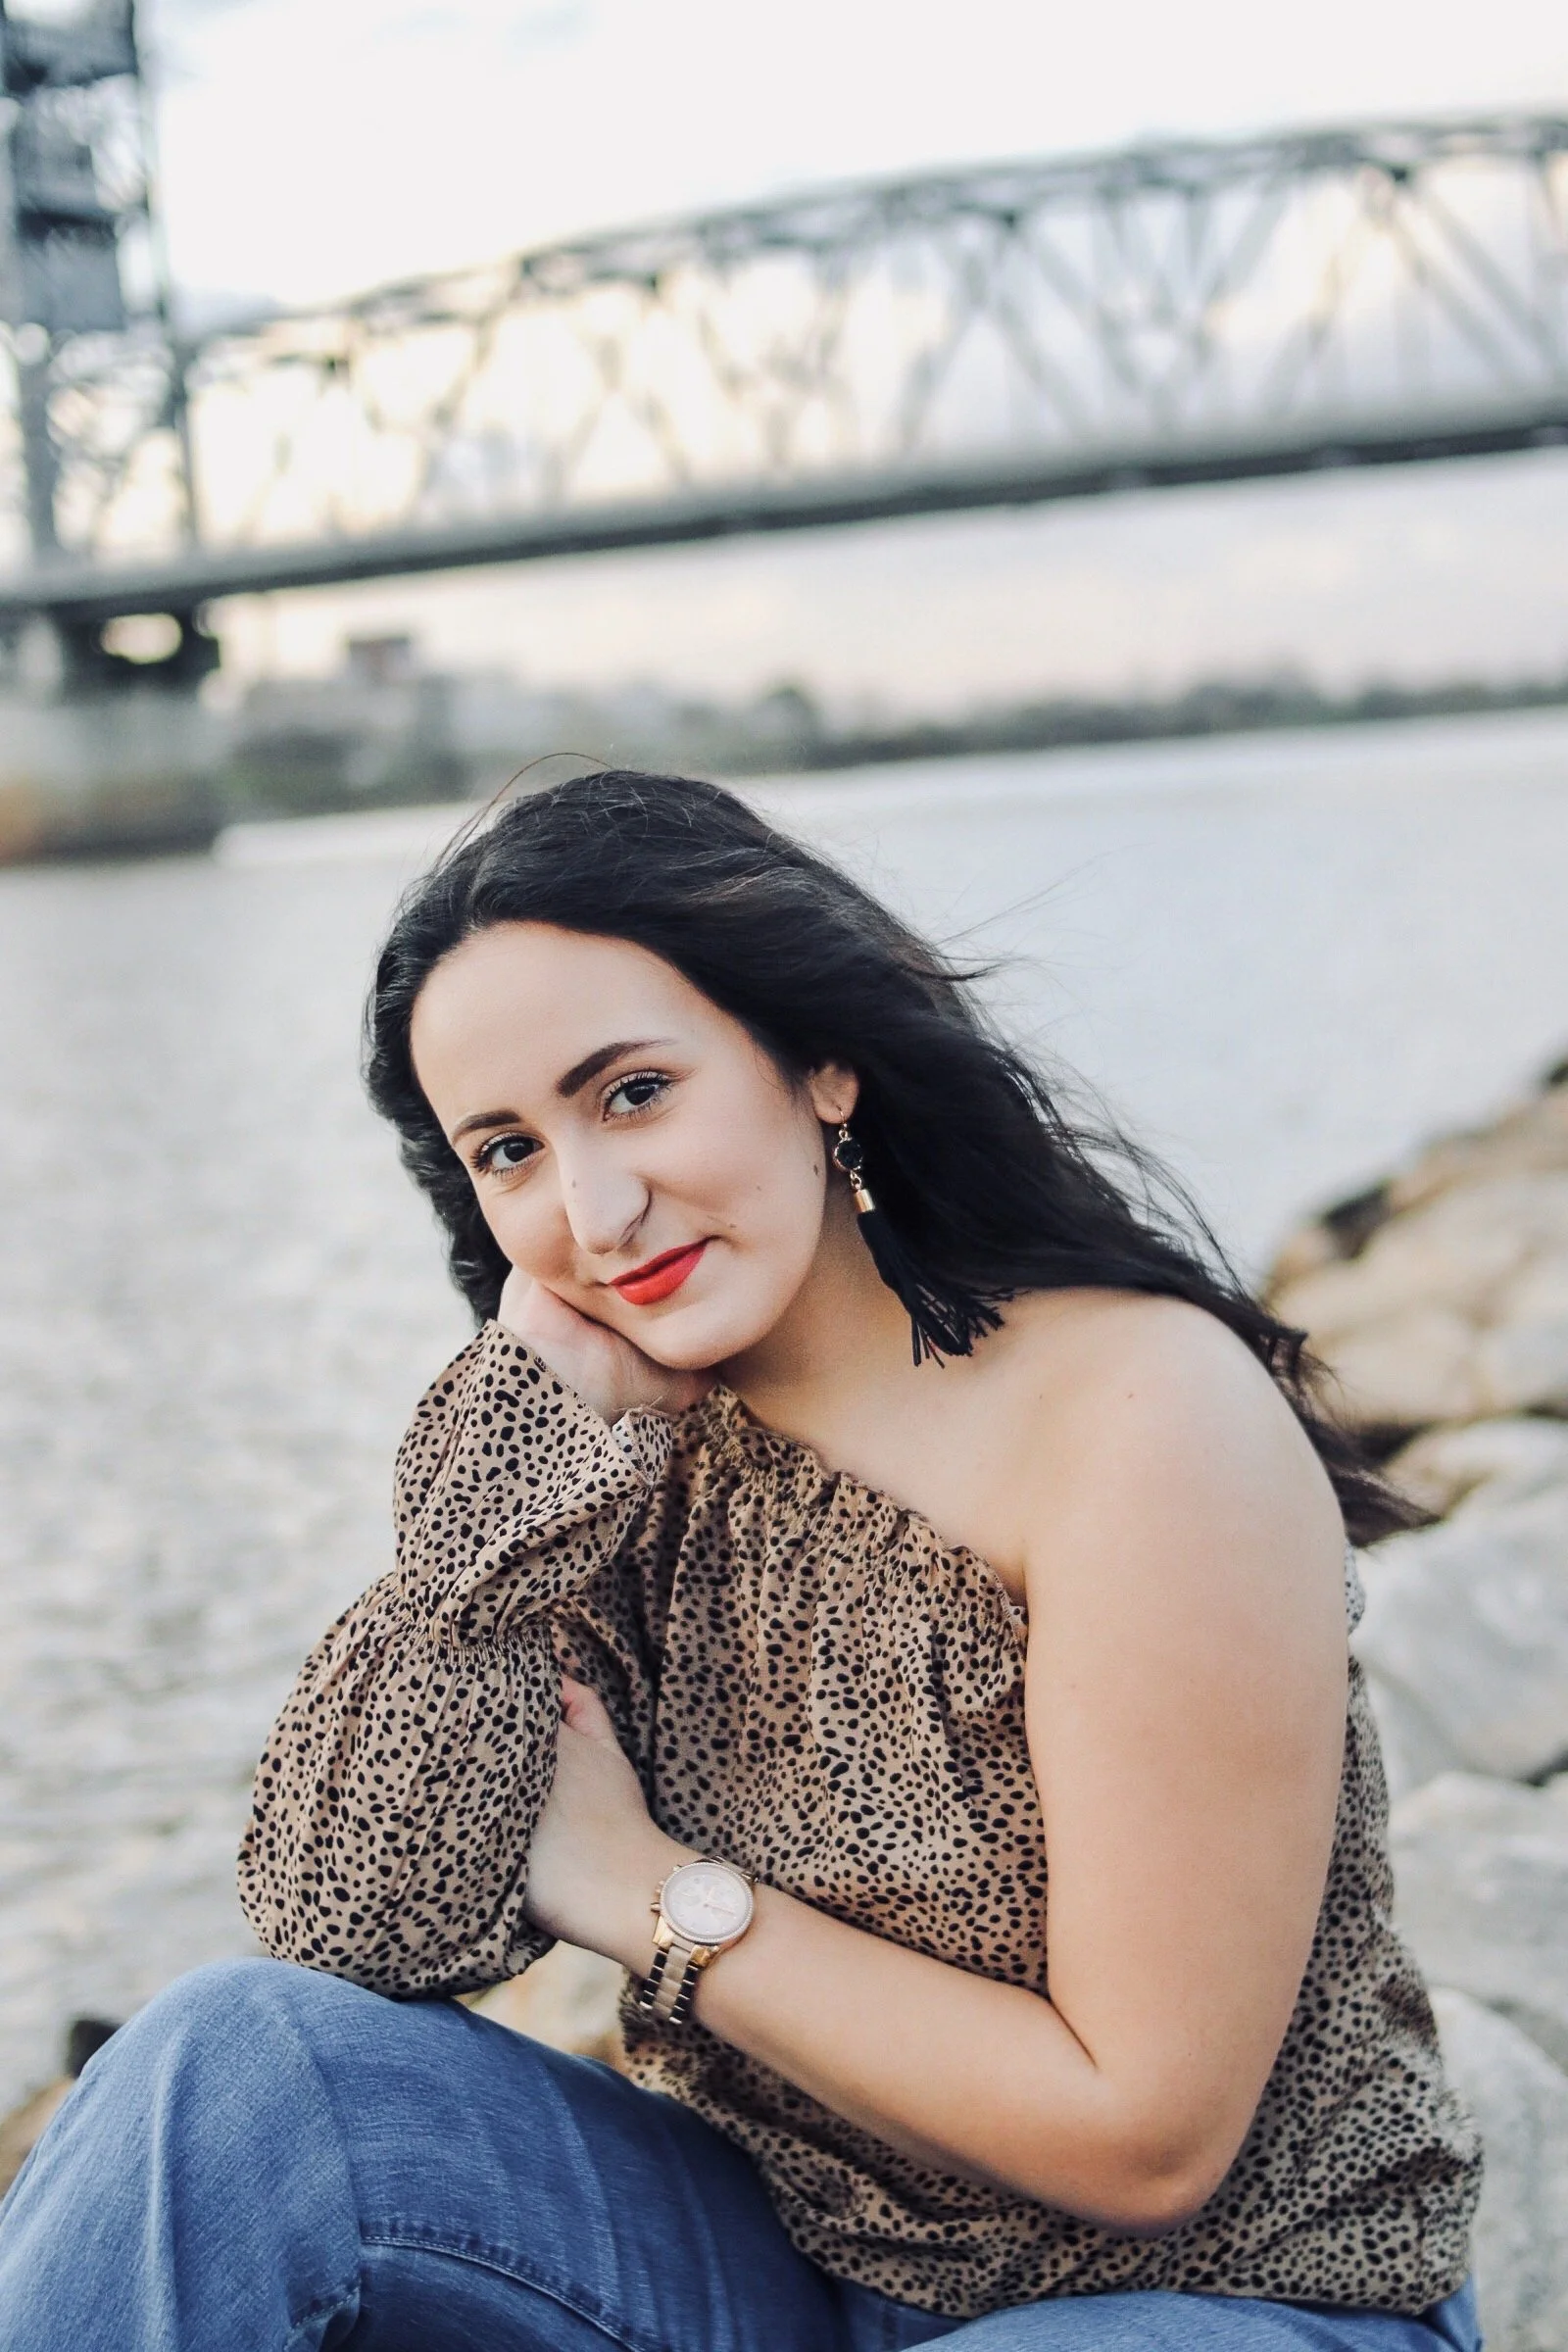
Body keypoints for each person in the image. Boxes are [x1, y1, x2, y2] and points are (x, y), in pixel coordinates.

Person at [0, 771, 1482, 2352]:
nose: (597, 1208)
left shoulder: (1136, 1419)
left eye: (633, 1092)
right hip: (783, 2271)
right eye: (508, 1151)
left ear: (819, 1060)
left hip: (1230, 2300)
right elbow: (357, 1936)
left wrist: (644, 1894)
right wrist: (510, 1486)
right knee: (236, 2067)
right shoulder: (607, 1451)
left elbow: (1151, 2138)